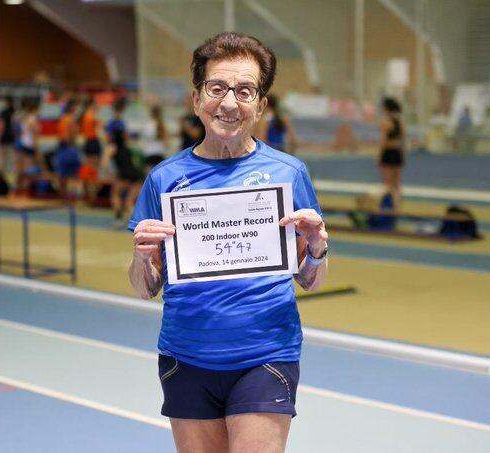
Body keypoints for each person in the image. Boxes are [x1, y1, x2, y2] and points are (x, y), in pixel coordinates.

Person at [127, 32, 328, 453]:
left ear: (261, 105)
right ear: (197, 98)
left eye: (245, 91)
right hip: (186, 356)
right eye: (217, 88)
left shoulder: (288, 174)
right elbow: (146, 288)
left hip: (266, 354)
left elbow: (311, 280)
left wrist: (316, 248)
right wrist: (142, 257)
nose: (229, 103)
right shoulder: (164, 180)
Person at [101, 97, 142, 227]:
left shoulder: (112, 147)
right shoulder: (127, 148)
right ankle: (138, 222)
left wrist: (110, 175)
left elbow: (104, 163)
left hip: (124, 175)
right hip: (136, 175)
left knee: (115, 193)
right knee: (129, 201)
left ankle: (118, 218)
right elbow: (135, 162)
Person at [13, 99, 47, 193]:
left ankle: (19, 187)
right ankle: (25, 188)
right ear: (36, 109)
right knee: (28, 169)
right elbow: (33, 135)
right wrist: (36, 148)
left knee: (21, 168)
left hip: (21, 143)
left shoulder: (24, 117)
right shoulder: (33, 119)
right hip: (28, 145)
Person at [377, 97, 405, 201]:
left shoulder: (386, 123)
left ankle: (388, 206)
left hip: (388, 153)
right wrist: (401, 154)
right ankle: (398, 203)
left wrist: (379, 156)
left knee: (387, 184)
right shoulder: (399, 123)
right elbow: (402, 139)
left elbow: (383, 141)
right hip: (397, 152)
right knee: (396, 184)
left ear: (386, 108)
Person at [141, 104, 169, 174]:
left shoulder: (147, 125)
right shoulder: (162, 125)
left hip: (149, 154)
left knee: (149, 178)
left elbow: (144, 140)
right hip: (159, 154)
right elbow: (167, 143)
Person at [0, 96, 15, 173]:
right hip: (12, 134)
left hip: (4, 134)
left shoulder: (3, 112)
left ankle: (1, 174)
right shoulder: (14, 110)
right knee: (14, 157)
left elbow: (2, 124)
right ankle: (15, 174)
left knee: (2, 158)